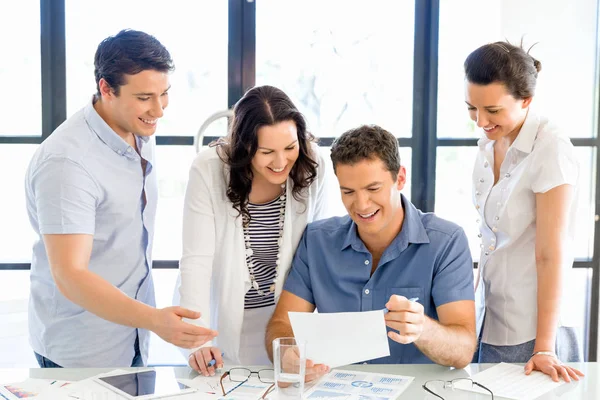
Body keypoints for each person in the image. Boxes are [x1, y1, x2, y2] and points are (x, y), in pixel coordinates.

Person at [25, 29, 216, 368]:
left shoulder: (138, 129)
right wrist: (155, 319)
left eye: (164, 94)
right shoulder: (67, 163)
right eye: (145, 97)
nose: (158, 110)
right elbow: (71, 274)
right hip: (82, 351)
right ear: (105, 89)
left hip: (133, 339)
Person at [266, 125, 477, 379]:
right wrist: (286, 355)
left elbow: (464, 349)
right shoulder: (317, 241)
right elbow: (281, 326)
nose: (362, 205)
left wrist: (423, 329)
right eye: (348, 192)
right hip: (336, 391)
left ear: (400, 178)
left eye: (373, 189)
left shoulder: (446, 242)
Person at [176, 85, 337, 376]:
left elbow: (317, 253)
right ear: (245, 147)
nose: (280, 162)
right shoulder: (209, 169)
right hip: (221, 319)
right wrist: (198, 339)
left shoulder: (313, 165)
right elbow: (196, 262)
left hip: (284, 323)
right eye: (266, 152)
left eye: (290, 147)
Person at [464, 41, 584, 382]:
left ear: (526, 101)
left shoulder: (551, 149)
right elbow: (491, 238)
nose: (481, 121)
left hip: (531, 329)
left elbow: (552, 253)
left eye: (492, 110)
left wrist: (545, 347)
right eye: (472, 108)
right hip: (489, 315)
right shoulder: (489, 142)